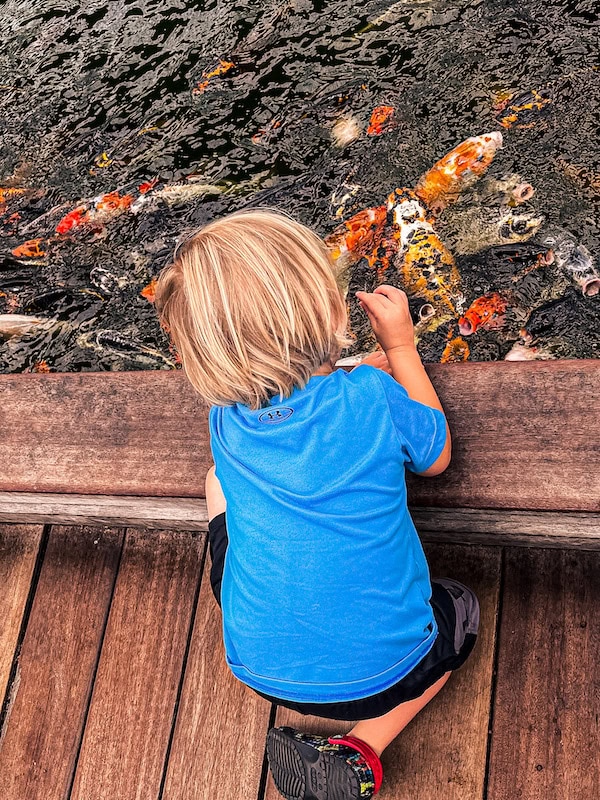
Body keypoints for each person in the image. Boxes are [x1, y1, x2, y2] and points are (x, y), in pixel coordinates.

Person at [155, 208, 480, 800]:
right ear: (330, 312)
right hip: (387, 672)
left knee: (217, 482)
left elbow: (298, 410)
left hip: (259, 667)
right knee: (458, 613)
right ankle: (364, 747)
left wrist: (349, 375)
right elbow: (436, 457)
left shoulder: (225, 421)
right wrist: (400, 348)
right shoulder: (373, 395)